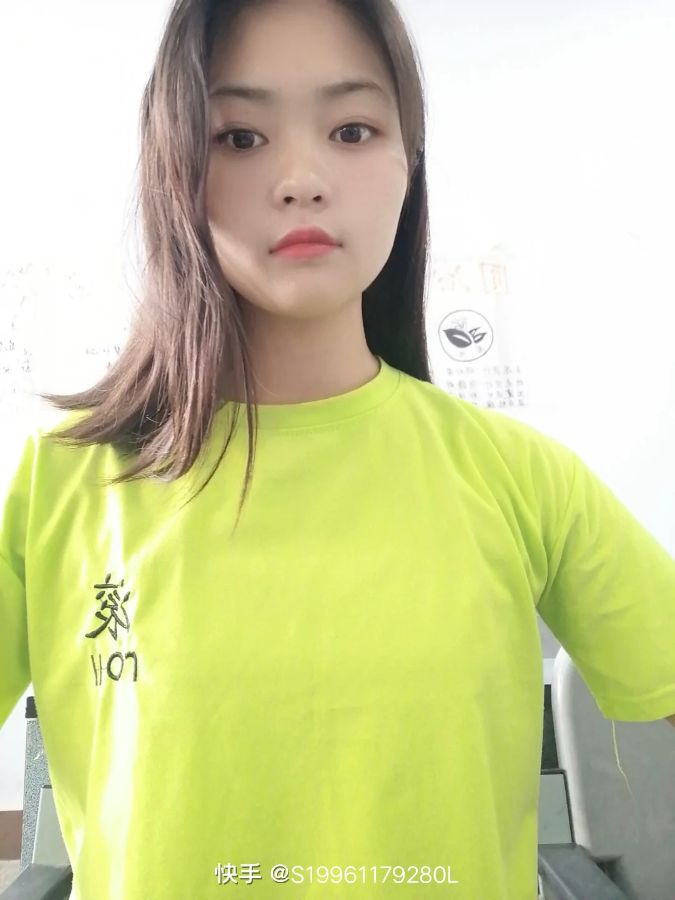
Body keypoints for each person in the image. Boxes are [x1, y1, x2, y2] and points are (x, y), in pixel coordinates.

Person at [1, 0, 674, 897]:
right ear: (173, 171)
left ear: (407, 164)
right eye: (239, 138)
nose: (301, 179)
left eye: (352, 130)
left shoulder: (521, 477)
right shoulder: (65, 480)